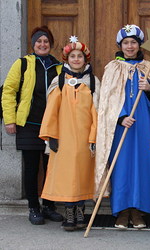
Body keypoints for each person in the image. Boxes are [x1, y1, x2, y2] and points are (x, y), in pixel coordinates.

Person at [95, 24, 150, 229]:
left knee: (143, 167)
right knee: (122, 167)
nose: (130, 46)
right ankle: (122, 212)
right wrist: (120, 118)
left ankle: (139, 211)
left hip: (144, 125)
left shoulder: (149, 67)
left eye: (133, 42)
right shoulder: (112, 68)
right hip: (121, 127)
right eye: (126, 43)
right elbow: (106, 101)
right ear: (120, 45)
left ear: (139, 44)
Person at [1, 26, 63, 225]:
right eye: (39, 41)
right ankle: (33, 208)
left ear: (50, 45)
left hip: (52, 125)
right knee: (31, 168)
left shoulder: (59, 67)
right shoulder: (22, 64)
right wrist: (10, 119)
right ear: (33, 44)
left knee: (51, 167)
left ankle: (49, 206)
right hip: (28, 124)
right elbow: (9, 91)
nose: (42, 45)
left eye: (46, 42)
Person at [39, 36, 100, 231]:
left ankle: (81, 209)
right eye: (72, 56)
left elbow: (98, 111)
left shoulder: (92, 81)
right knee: (66, 175)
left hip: (84, 138)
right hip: (64, 137)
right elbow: (51, 110)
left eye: (79, 56)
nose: (76, 59)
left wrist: (94, 137)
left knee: (82, 174)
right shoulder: (59, 81)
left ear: (85, 59)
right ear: (67, 59)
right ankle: (69, 211)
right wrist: (51, 136)